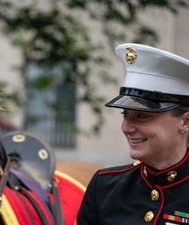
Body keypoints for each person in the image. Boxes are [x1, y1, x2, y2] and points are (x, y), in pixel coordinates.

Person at [77, 43, 189, 225]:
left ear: (185, 122)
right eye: (125, 115)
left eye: (142, 116)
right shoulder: (105, 187)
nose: (126, 128)